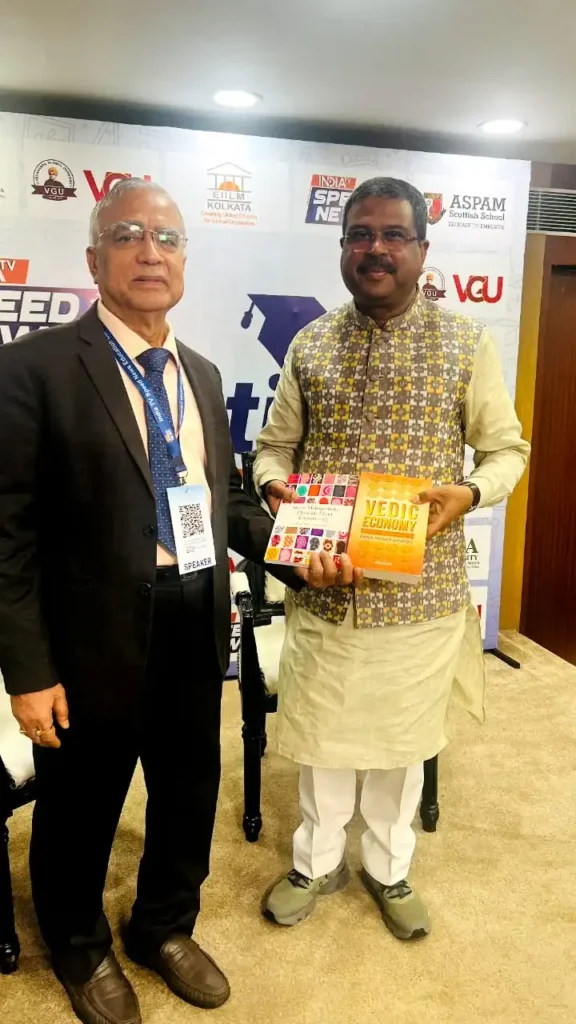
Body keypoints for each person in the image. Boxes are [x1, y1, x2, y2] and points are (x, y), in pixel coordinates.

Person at [0, 178, 349, 1024]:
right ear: (94, 258)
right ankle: (80, 946)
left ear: (186, 259)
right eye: (127, 234)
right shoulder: (33, 368)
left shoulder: (198, 370)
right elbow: (7, 536)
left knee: (189, 790)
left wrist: (303, 555)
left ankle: (163, 925)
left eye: (167, 236)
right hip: (88, 638)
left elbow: (221, 500)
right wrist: (29, 672)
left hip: (197, 619)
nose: (149, 250)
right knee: (81, 805)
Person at [255, 177, 530, 940]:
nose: (374, 249)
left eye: (392, 236)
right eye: (359, 234)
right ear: (343, 246)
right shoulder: (310, 343)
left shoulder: (465, 341)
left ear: (420, 251)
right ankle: (315, 861)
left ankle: (388, 867)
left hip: (420, 593)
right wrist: (277, 491)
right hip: (323, 582)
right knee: (322, 742)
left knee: (401, 747)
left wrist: (468, 495)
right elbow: (273, 448)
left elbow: (506, 449)